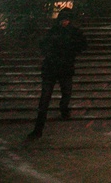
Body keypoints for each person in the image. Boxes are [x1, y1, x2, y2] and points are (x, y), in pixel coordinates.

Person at [28, 8, 88, 139]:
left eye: (67, 20)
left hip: (64, 69)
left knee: (66, 93)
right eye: (63, 20)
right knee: (44, 100)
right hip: (52, 69)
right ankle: (38, 129)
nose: (65, 22)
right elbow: (43, 45)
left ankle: (63, 108)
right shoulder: (54, 32)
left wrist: (71, 52)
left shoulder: (73, 33)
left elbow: (83, 45)